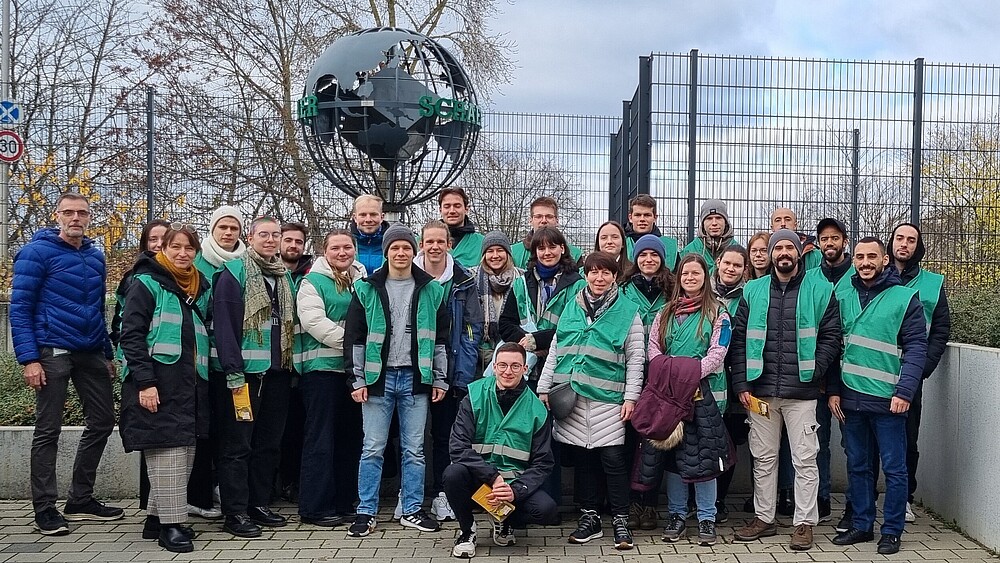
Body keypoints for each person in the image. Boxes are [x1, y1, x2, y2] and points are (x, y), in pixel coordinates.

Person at [12, 192, 124, 536]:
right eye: (69, 212)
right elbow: (20, 308)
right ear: (57, 215)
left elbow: (97, 310)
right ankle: (45, 508)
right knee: (48, 430)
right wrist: (29, 359)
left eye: (82, 213)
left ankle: (80, 498)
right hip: (51, 350)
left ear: (90, 217)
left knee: (103, 420)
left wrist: (106, 353)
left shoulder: (95, 256)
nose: (76, 218)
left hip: (90, 350)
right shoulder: (35, 253)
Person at [729, 229, 841, 551]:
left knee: (805, 459)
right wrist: (741, 384)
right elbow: (738, 340)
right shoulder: (753, 290)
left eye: (789, 247)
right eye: (778, 247)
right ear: (772, 254)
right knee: (763, 458)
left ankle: (804, 522)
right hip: (760, 392)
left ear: (798, 253)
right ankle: (764, 518)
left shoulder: (821, 289)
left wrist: (814, 370)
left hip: (802, 394)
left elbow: (832, 336)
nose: (783, 253)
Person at [343, 224, 450, 537]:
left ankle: (413, 510)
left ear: (413, 250)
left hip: (416, 379)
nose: (401, 253)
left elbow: (440, 339)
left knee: (415, 449)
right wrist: (357, 379)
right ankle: (366, 511)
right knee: (373, 447)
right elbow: (355, 338)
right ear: (387, 252)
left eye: (406, 248)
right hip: (378, 379)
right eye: (394, 248)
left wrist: (440, 380)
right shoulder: (366, 287)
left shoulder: (432, 288)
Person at [537, 251, 645, 551]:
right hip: (571, 397)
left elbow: (636, 358)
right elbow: (556, 350)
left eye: (605, 272)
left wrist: (631, 397)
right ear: (586, 274)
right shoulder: (572, 306)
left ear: (614, 276)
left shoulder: (628, 311)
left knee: (612, 460)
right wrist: (544, 388)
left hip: (609, 398)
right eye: (593, 272)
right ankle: (590, 517)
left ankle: (621, 519)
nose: (599, 278)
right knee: (583, 460)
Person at [828, 236, 927, 555]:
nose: (865, 262)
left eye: (872, 256)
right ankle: (861, 525)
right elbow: (832, 345)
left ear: (884, 260)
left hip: (889, 401)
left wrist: (905, 391)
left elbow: (916, 348)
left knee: (894, 469)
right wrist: (833, 391)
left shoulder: (904, 298)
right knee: (858, 465)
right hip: (850, 400)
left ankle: (892, 530)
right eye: (859, 257)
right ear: (853, 260)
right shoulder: (841, 294)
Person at [119, 225, 211, 553]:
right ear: (163, 249)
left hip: (188, 382)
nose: (183, 253)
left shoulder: (198, 286)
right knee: (168, 452)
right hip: (157, 381)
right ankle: (172, 526)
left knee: (181, 451)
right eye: (176, 247)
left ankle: (155, 520)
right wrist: (145, 382)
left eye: (189, 248)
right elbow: (131, 335)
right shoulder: (145, 283)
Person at [212, 216, 296, 537]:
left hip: (276, 376)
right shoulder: (233, 274)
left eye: (276, 235)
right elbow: (226, 329)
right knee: (237, 446)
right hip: (243, 377)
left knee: (268, 444)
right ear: (251, 237)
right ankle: (234, 512)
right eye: (264, 234)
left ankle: (258, 504)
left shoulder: (283, 276)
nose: (271, 240)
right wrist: (233, 372)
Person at [645, 253, 732, 546]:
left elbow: (718, 354)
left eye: (696, 273)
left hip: (704, 395)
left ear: (706, 277)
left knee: (704, 458)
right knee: (674, 459)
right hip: (671, 398)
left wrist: (688, 373)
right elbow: (653, 349)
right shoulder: (665, 312)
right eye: (685, 274)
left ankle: (706, 518)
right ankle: (677, 515)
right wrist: (670, 374)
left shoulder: (718, 312)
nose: (690, 278)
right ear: (679, 278)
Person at [446, 343, 558, 558]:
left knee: (546, 510)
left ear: (525, 369)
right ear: (494, 366)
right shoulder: (475, 394)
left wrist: (516, 490)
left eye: (515, 366)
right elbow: (458, 447)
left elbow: (543, 463)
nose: (508, 371)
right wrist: (493, 477)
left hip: (512, 483)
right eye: (503, 365)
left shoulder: (537, 408)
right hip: (477, 478)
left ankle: (504, 520)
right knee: (453, 474)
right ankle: (467, 531)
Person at [413, 220, 484, 523]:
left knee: (445, 436)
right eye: (429, 241)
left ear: (448, 245)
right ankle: (412, 494)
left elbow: (472, 330)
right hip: (412, 367)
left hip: (452, 370)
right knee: (412, 437)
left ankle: (443, 495)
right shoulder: (407, 275)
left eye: (440, 241)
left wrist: (464, 374)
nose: (435, 247)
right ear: (422, 244)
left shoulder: (463, 280)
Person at [294, 229, 367, 527]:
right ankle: (315, 507)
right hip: (321, 372)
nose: (342, 252)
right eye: (335, 248)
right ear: (325, 251)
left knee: (349, 440)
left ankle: (343, 501)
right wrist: (353, 343)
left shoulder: (361, 281)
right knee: (320, 440)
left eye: (347, 247)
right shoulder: (313, 281)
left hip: (352, 373)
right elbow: (314, 322)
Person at [888, 223, 950, 523]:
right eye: (899, 238)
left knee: (907, 438)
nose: (904, 244)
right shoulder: (874, 276)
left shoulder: (932, 284)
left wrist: (924, 368)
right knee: (869, 439)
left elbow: (940, 330)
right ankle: (864, 501)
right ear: (891, 243)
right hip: (874, 370)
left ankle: (904, 499)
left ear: (918, 246)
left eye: (911, 240)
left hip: (910, 374)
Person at [620, 234, 674, 531]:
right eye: (643, 255)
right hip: (630, 374)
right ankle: (631, 503)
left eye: (654, 255)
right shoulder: (624, 291)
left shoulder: (673, 289)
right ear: (635, 258)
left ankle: (650, 504)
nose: (649, 260)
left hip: (662, 377)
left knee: (655, 441)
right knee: (629, 440)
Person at [498, 226, 586, 382]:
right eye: (541, 248)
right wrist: (527, 341)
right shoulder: (521, 283)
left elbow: (578, 329)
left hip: (561, 367)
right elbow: (505, 324)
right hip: (526, 368)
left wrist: (539, 341)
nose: (547, 253)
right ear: (535, 252)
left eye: (552, 247)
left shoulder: (577, 285)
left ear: (563, 248)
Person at [711, 245, 750, 523]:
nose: (731, 269)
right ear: (718, 262)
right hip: (709, 381)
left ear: (744, 269)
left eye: (737, 265)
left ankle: (720, 500)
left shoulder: (750, 296)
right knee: (703, 439)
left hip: (737, 380)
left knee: (729, 443)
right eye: (727, 263)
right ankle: (696, 501)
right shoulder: (703, 291)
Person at [278, 221, 313, 504]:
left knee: (301, 428)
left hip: (305, 363)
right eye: (287, 240)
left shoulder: (310, 275)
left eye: (298, 242)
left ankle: (297, 483)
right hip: (276, 363)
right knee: (281, 430)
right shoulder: (269, 273)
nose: (293, 246)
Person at [111, 219, 170, 348]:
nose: (159, 244)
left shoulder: (185, 276)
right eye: (153, 239)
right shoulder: (133, 278)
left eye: (164, 239)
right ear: (145, 243)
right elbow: (120, 322)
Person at [473, 231, 523, 368]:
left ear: (508, 253)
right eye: (490, 251)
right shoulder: (472, 278)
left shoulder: (522, 279)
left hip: (512, 351)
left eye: (500, 250)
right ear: (484, 255)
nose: (495, 256)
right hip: (480, 352)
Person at [510, 197, 583, 268]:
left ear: (557, 220)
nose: (544, 220)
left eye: (549, 216)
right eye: (538, 216)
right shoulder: (513, 252)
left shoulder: (575, 254)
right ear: (530, 220)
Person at [623, 194, 680, 271]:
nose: (642, 219)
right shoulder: (621, 244)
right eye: (638, 215)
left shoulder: (670, 247)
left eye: (647, 215)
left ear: (655, 218)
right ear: (630, 218)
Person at [680, 199, 737, 274]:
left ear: (725, 222)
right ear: (703, 223)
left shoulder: (737, 250)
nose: (714, 223)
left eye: (718, 218)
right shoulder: (689, 251)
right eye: (709, 219)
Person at [439, 187, 485, 269]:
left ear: (466, 209)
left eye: (457, 206)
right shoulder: (423, 242)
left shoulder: (482, 243)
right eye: (447, 206)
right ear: (440, 210)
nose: (452, 211)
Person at [349, 194, 389, 275]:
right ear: (355, 218)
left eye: (373, 214)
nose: (368, 220)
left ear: (382, 217)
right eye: (363, 215)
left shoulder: (393, 243)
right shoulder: (345, 244)